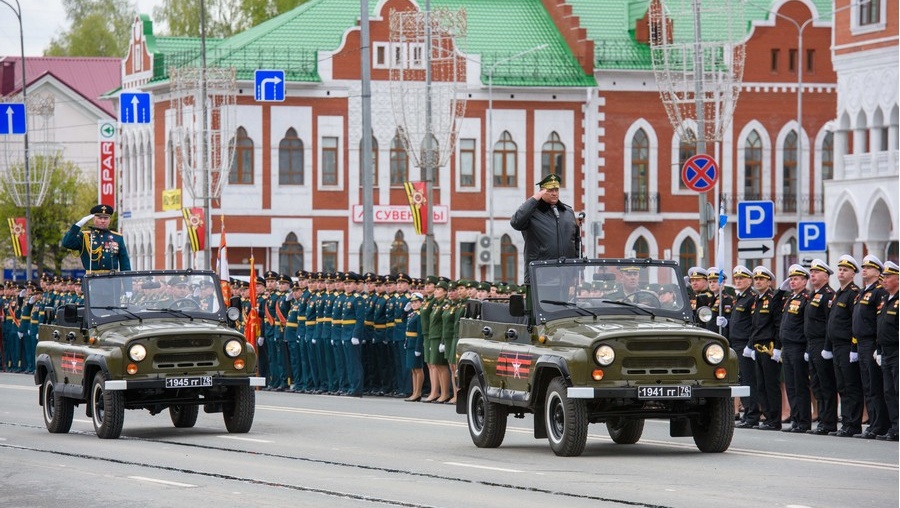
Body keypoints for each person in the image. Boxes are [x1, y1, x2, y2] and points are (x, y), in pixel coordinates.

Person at [510, 174, 579, 283]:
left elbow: (575, 242)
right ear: (541, 191)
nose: (554, 193)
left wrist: (576, 271)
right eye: (550, 190)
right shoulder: (532, 212)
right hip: (540, 277)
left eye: (556, 190)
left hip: (566, 277)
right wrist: (535, 198)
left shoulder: (567, 212)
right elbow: (516, 222)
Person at [824, 255, 864, 437]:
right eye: (839, 269)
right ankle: (846, 422)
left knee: (851, 385)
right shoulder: (839, 293)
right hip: (836, 346)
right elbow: (831, 323)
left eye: (845, 270)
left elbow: (855, 323)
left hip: (847, 346)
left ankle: (853, 424)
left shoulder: (853, 293)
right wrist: (828, 346)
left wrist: (854, 348)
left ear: (853, 274)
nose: (841, 272)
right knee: (842, 386)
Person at [852, 255, 889, 439]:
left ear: (877, 272)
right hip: (860, 343)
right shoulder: (862, 291)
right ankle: (874, 424)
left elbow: (878, 320)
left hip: (871, 343)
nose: (864, 270)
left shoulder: (878, 291)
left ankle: (879, 425)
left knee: (875, 386)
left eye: (868, 267)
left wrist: (877, 346)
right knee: (867, 386)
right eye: (863, 267)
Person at [805, 259, 838, 435]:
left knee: (826, 384)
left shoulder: (828, 295)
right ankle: (823, 420)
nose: (813, 275)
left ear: (826, 276)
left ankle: (829, 422)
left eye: (816, 272)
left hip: (821, 344)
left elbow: (829, 323)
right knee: (817, 384)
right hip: (811, 344)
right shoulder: (813, 294)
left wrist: (827, 346)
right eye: (811, 272)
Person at [749, 266, 783, 430]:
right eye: (756, 279)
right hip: (758, 346)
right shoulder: (757, 299)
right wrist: (751, 346)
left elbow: (778, 324)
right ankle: (768, 417)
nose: (758, 281)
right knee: (761, 385)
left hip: (769, 347)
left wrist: (778, 347)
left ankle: (775, 420)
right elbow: (755, 326)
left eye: (762, 279)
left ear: (769, 282)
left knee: (771, 385)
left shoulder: (772, 299)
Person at [779, 264, 811, 433]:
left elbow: (806, 325)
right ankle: (796, 419)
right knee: (791, 386)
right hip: (787, 347)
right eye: (790, 279)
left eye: (796, 279)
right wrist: (780, 291)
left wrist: (806, 348)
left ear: (804, 281)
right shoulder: (790, 298)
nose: (792, 282)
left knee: (800, 386)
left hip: (798, 347)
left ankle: (804, 421)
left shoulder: (806, 298)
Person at [62, 204, 131, 272]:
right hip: (92, 277)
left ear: (109, 220)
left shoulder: (117, 237)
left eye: (106, 218)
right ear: (93, 219)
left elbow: (124, 262)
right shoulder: (85, 236)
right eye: (100, 218)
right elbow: (67, 243)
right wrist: (78, 225)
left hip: (112, 277)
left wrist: (127, 279)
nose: (103, 221)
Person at [876, 261, 899, 441]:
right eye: (883, 277)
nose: (884, 280)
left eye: (888, 277)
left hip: (897, 351)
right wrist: (878, 350)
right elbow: (881, 327)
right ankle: (894, 427)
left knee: (898, 390)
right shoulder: (885, 299)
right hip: (886, 351)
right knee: (889, 391)